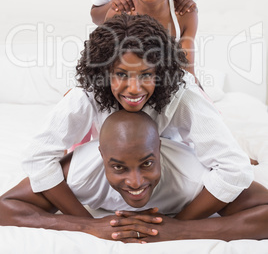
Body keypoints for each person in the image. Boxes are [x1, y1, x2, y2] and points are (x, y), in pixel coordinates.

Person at [21, 14, 253, 222]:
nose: (133, 89)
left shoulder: (183, 95)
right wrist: (87, 224)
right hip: (113, 151)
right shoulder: (87, 93)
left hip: (172, 150)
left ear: (160, 73)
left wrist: (178, 225)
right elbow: (37, 157)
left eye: (146, 75)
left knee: (219, 146)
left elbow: (235, 169)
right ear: (105, 73)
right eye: (121, 74)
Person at [2, 110, 268, 243]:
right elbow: (5, 207)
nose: (136, 182)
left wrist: (182, 229)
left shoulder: (193, 175)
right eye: (118, 167)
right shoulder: (80, 172)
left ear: (159, 153)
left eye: (147, 164)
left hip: (178, 145)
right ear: (102, 157)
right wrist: (85, 225)